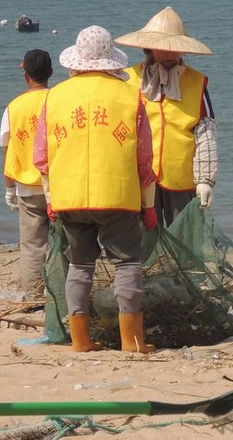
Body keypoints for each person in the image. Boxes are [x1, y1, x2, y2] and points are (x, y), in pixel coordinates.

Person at [33, 25, 158, 353]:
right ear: (111, 64)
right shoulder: (131, 96)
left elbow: (42, 158)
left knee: (79, 264)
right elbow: (144, 159)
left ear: (76, 63)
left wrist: (50, 201)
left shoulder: (55, 96)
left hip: (69, 197)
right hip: (117, 195)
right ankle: (132, 341)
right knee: (128, 262)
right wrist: (150, 206)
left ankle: (80, 340)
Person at [115, 6, 218, 226]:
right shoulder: (128, 79)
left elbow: (206, 134)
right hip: (138, 177)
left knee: (184, 239)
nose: (170, 53)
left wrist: (205, 181)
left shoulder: (197, 83)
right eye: (163, 48)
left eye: (175, 48)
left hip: (181, 179)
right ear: (149, 47)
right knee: (143, 241)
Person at [0, 49, 53, 299]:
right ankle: (63, 297)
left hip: (27, 189)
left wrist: (9, 188)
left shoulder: (13, 107)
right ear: (51, 74)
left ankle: (33, 297)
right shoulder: (58, 100)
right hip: (59, 186)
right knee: (64, 243)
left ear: (26, 75)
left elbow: (7, 150)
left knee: (32, 245)